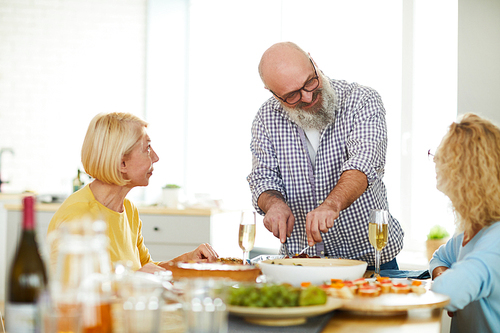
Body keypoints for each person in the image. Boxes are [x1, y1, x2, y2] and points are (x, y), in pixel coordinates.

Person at [247, 42, 404, 268]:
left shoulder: (362, 100)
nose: (308, 97)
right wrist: (273, 204)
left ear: (314, 62)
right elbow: (263, 179)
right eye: (292, 95)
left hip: (371, 260)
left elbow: (364, 162)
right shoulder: (266, 118)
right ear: (273, 94)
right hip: (300, 264)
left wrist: (331, 205)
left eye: (310, 82)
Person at [48, 112, 218, 274]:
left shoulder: (128, 210)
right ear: (122, 163)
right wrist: (135, 279)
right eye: (147, 148)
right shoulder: (78, 216)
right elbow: (77, 292)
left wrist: (187, 261)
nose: (156, 157)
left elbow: (146, 270)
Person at [429, 113, 500, 332]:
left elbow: (448, 293)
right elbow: (440, 257)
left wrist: (449, 280)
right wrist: (441, 271)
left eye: (442, 158)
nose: (435, 161)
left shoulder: (495, 240)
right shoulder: (472, 232)